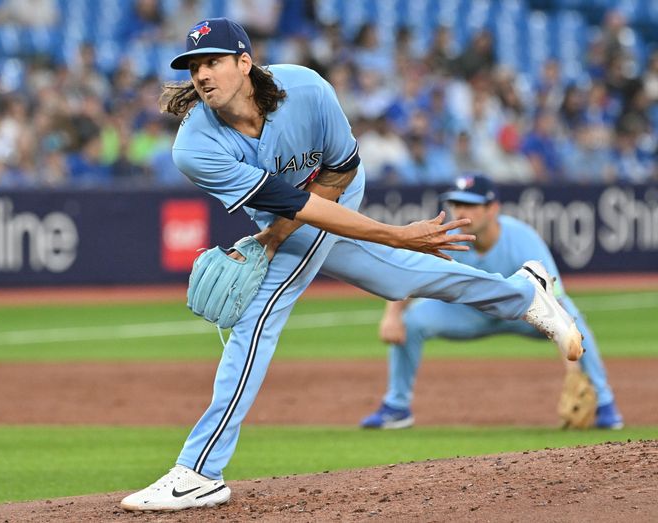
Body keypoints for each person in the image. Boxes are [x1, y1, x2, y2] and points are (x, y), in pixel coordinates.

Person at [120, 18, 583, 512]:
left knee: (257, 317)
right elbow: (285, 205)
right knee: (396, 277)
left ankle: (200, 470)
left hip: (337, 188)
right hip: (286, 212)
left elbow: (342, 169)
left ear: (244, 62)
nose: (202, 75)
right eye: (193, 66)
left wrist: (395, 233)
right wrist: (283, 236)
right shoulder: (195, 146)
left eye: (212, 61)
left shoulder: (307, 88)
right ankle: (523, 293)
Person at [360, 174, 624, 431]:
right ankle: (397, 408)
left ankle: (605, 403)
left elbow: (556, 302)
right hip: (468, 314)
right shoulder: (447, 237)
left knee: (574, 322)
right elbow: (414, 276)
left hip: (525, 315)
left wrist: (572, 368)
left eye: (471, 205)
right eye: (457, 204)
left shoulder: (522, 239)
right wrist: (391, 316)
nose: (462, 212)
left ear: (493, 208)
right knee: (411, 322)